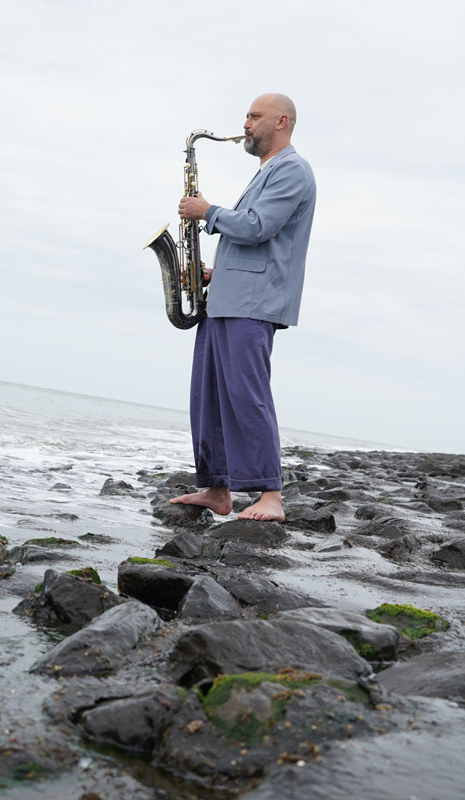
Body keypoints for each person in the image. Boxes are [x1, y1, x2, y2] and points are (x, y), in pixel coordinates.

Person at [169, 93, 316, 522]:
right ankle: (218, 490)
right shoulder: (268, 171)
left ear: (281, 121)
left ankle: (270, 495)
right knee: (210, 397)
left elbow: (257, 227)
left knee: (248, 397)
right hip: (230, 299)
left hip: (254, 304)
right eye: (247, 116)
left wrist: (207, 211)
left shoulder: (292, 169)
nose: (246, 124)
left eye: (255, 116)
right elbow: (257, 242)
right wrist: (218, 272)